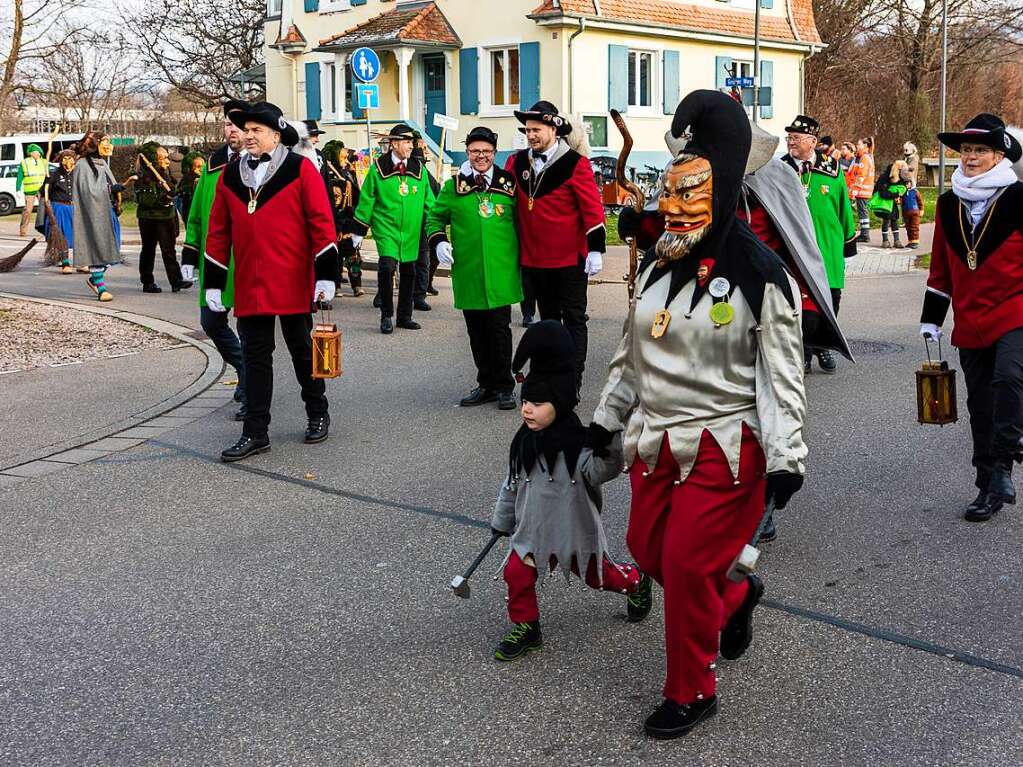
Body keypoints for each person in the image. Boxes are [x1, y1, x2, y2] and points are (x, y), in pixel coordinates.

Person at [592, 90, 807, 739]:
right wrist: (604, 422)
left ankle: (691, 688)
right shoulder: (661, 264)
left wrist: (786, 457)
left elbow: (781, 377)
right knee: (645, 548)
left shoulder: (760, 273)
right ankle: (735, 595)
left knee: (685, 565)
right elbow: (630, 355)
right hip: (655, 439)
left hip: (726, 445)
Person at [490, 320, 652, 661]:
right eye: (525, 402)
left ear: (560, 402)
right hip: (531, 532)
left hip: (572, 533)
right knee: (516, 573)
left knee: (598, 578)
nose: (527, 409)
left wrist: (608, 439)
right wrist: (502, 520)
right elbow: (512, 485)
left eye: (538, 403)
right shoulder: (523, 443)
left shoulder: (579, 447)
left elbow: (603, 470)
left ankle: (635, 581)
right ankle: (527, 627)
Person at [204, 101, 340, 462]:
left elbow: (321, 223)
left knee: (300, 352)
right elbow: (218, 232)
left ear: (276, 135)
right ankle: (255, 432)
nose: (248, 136)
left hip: (293, 279)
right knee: (255, 358)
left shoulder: (300, 169)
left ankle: (317, 412)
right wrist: (214, 282)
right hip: (250, 283)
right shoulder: (230, 175)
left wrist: (325, 276)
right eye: (245, 130)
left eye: (256, 131)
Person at [920, 113, 1023, 523]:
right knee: (980, 404)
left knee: (1010, 378)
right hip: (970, 319)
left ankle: (1004, 464)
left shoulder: (1020, 199)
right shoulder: (947, 204)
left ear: (999, 155)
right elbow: (941, 271)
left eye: (981, 150)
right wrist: (931, 318)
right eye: (966, 150)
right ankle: (987, 486)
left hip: (1016, 310)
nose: (971, 157)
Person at [505, 100, 606, 391]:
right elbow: (504, 192)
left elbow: (592, 209)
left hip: (570, 260)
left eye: (537, 130)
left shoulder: (575, 164)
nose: (531, 135)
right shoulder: (517, 162)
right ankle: (548, 376)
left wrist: (596, 248)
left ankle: (572, 380)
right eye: (528, 130)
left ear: (553, 128)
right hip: (535, 259)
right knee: (547, 321)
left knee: (574, 320)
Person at [425, 126, 523, 410]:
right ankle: (486, 384)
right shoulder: (453, 188)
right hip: (468, 270)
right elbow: (434, 218)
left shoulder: (508, 184)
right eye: (475, 151)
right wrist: (439, 241)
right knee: (476, 331)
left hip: (501, 270)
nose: (481, 156)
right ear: (467, 152)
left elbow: (524, 223)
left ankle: (505, 386)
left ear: (495, 153)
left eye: (487, 151)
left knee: (500, 329)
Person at [181, 100, 249, 420]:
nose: (231, 129)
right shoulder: (212, 165)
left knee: (251, 330)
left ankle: (251, 391)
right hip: (217, 261)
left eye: (238, 124)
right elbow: (196, 216)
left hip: (249, 262)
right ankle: (246, 370)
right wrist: (190, 254)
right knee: (210, 322)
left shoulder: (260, 164)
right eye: (227, 124)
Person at [781, 115, 857, 373]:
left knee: (830, 298)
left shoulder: (832, 170)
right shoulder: (780, 170)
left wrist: (848, 242)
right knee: (799, 302)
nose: (790, 142)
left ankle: (823, 346)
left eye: (796, 138)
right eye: (789, 137)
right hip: (793, 249)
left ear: (812, 141)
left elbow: (844, 207)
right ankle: (803, 350)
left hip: (828, 246)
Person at [350, 123, 436, 334]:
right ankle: (387, 314)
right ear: (395, 143)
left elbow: (429, 201)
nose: (410, 146)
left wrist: (437, 227)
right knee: (387, 267)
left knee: (409, 271)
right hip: (386, 228)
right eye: (407, 142)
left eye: (411, 142)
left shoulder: (419, 169)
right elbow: (367, 199)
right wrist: (359, 230)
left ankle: (404, 316)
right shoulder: (377, 168)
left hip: (411, 230)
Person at [72, 131, 124, 302]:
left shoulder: (101, 162)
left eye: (110, 141)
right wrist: (111, 189)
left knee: (111, 248)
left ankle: (94, 279)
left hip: (107, 212)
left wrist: (116, 194)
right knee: (97, 248)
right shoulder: (82, 165)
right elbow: (88, 192)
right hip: (93, 214)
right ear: (95, 144)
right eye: (104, 141)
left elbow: (107, 184)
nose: (109, 145)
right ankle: (101, 288)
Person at [135, 141, 190, 293]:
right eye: (163, 158)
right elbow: (145, 200)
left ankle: (176, 281)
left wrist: (173, 192)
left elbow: (173, 191)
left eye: (167, 157)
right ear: (154, 159)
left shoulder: (165, 174)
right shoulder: (143, 177)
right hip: (149, 218)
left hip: (166, 217)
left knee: (169, 250)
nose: (167, 161)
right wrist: (163, 198)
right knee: (148, 249)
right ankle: (147, 281)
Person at [322, 140, 364, 296]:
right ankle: (336, 284)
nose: (346, 155)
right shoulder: (328, 173)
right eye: (342, 152)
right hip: (334, 219)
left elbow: (356, 194)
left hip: (349, 219)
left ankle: (356, 284)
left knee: (353, 255)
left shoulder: (348, 172)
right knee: (336, 256)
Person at [411, 133, 442, 310]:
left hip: (424, 222)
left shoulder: (424, 172)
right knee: (397, 261)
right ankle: (416, 294)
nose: (426, 152)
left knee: (423, 258)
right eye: (422, 148)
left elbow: (434, 194)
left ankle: (420, 293)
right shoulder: (415, 167)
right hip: (408, 222)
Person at [42, 149, 76, 274]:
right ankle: (65, 263)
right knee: (63, 237)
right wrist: (46, 183)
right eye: (64, 159)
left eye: (70, 158)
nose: (67, 161)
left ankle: (82, 262)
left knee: (80, 236)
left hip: (76, 209)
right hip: (59, 209)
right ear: (61, 161)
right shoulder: (54, 174)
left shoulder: (79, 173)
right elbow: (45, 193)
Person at [869, 160, 910, 248]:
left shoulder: (901, 177)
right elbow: (882, 193)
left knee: (894, 219)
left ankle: (897, 240)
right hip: (884, 202)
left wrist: (902, 192)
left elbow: (903, 188)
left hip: (893, 202)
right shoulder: (884, 177)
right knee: (886, 219)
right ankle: (885, 240)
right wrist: (896, 194)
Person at [848, 136, 875, 243]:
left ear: (865, 146)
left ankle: (865, 234)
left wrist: (854, 191)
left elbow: (861, 176)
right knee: (863, 212)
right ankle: (864, 233)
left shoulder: (864, 158)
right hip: (864, 191)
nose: (857, 146)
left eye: (858, 144)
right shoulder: (867, 157)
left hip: (862, 191)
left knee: (863, 213)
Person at [17, 143, 46, 237]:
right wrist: (18, 189)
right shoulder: (24, 162)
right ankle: (23, 230)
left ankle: (46, 230)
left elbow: (48, 176)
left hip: (41, 190)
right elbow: (20, 176)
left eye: (37, 152)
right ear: (30, 153)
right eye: (33, 152)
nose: (35, 154)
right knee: (28, 210)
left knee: (46, 210)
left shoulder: (44, 162)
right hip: (29, 190)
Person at [176, 151, 205, 224]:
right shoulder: (187, 179)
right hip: (191, 211)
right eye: (198, 167)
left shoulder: (205, 178)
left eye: (203, 166)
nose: (201, 169)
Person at [902, 183, 923, 249]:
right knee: (908, 227)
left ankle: (915, 241)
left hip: (915, 212)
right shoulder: (903, 192)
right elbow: (901, 202)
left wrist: (921, 209)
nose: (906, 185)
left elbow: (920, 201)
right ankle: (910, 241)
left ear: (911, 184)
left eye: (907, 184)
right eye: (905, 184)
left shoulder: (915, 192)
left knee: (914, 226)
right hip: (906, 212)